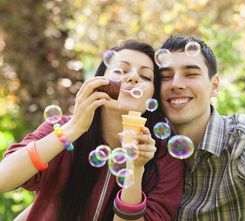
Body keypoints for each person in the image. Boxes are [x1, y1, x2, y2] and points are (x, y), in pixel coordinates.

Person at [0, 40, 184, 221]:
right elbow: (4, 178)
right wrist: (73, 128)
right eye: (121, 70)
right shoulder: (60, 128)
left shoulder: (163, 157)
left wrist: (135, 169)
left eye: (145, 76)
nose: (133, 77)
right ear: (99, 81)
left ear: (153, 95)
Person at [158, 35, 245, 221]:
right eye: (166, 77)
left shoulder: (241, 137)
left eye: (191, 74)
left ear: (214, 86)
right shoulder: (152, 147)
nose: (176, 84)